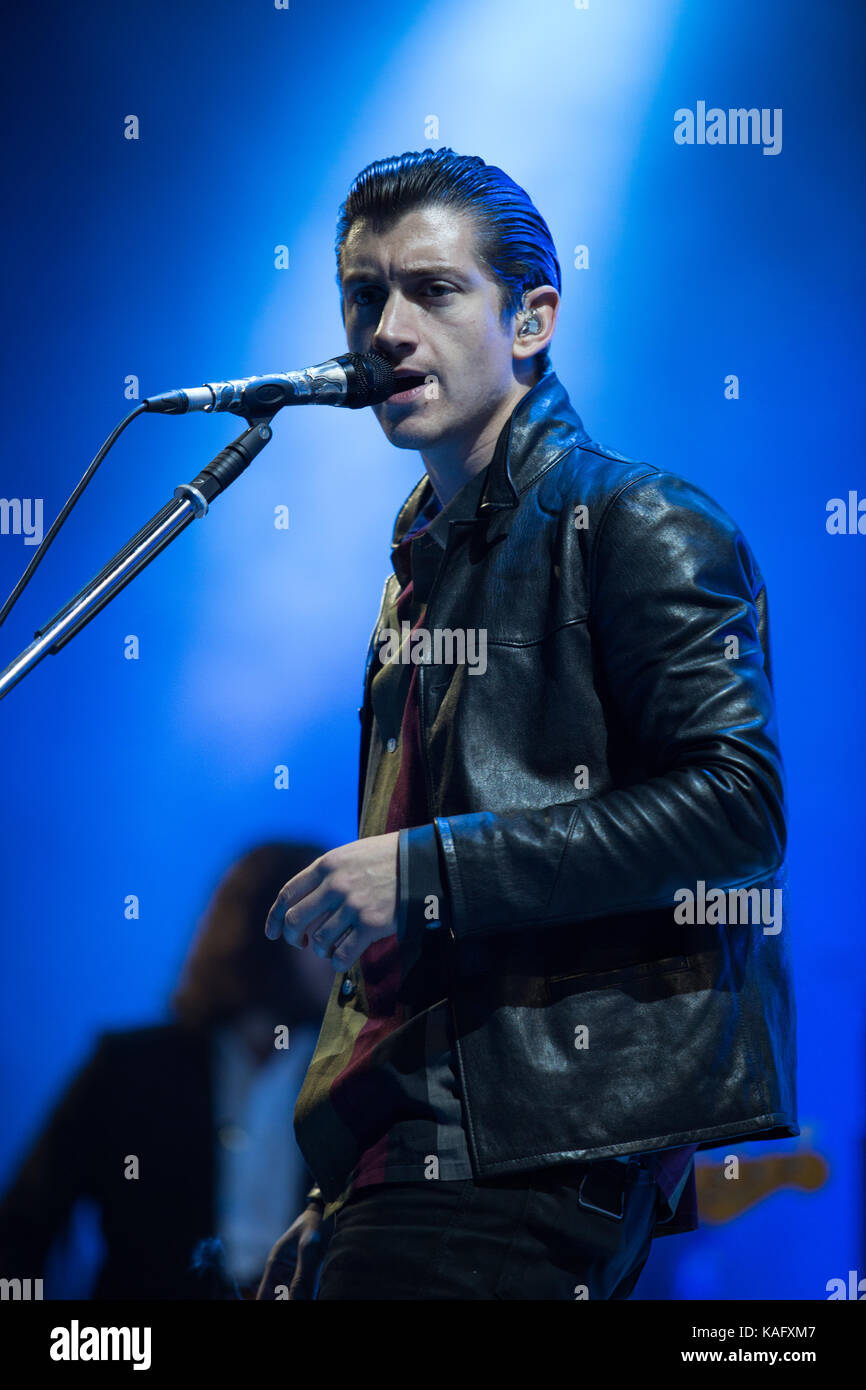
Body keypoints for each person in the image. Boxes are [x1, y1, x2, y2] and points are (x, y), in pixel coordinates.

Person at [256, 148, 797, 1302]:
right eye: (363, 296)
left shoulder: (634, 519)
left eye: (433, 290)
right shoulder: (419, 564)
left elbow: (737, 811)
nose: (386, 327)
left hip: (533, 1148)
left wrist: (429, 868)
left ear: (532, 317)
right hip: (416, 1160)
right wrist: (342, 1185)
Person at [0, 841, 332, 1299]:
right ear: (269, 925)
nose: (344, 943)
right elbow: (24, 1224)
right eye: (325, 922)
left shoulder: (351, 1072)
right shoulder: (128, 1067)